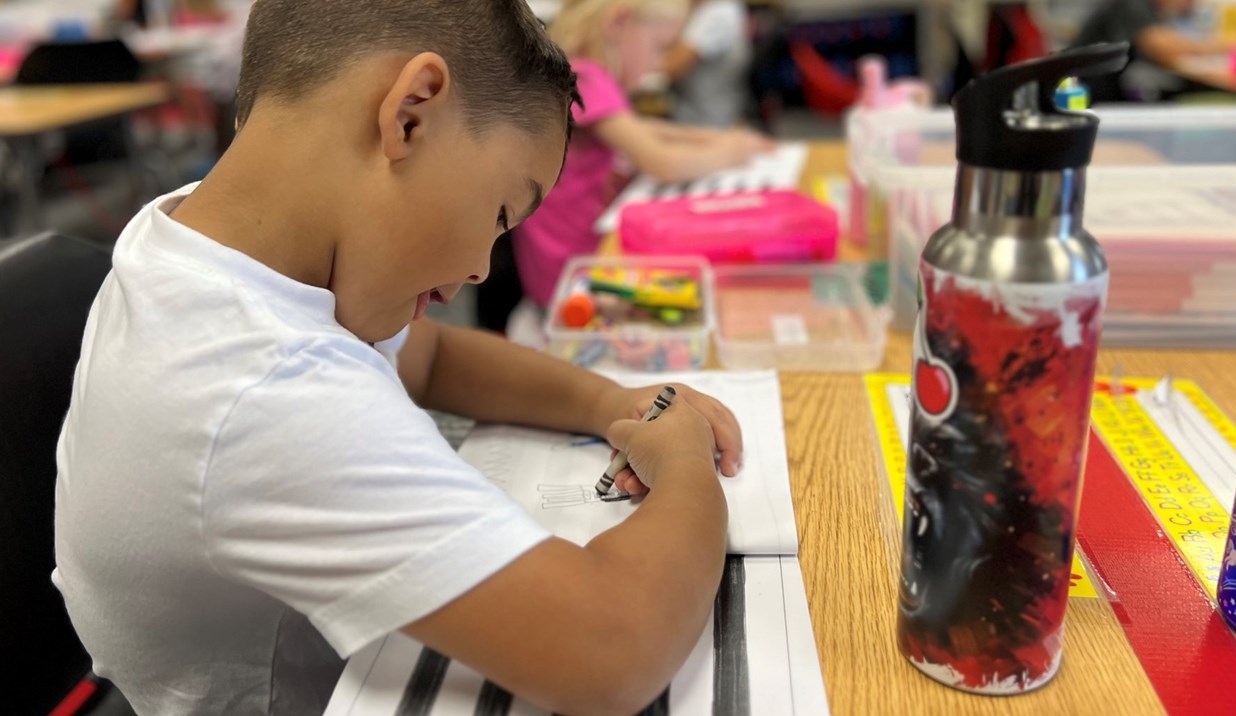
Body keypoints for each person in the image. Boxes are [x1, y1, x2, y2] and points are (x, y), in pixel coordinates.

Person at [52, 1, 743, 714]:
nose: (481, 268)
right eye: (501, 213)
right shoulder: (264, 388)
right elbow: (614, 652)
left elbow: (433, 359)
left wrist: (608, 403)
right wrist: (684, 457)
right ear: (409, 112)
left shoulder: (207, 234)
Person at [510, 0, 771, 313]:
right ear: (618, 24)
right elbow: (663, 162)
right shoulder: (586, 79)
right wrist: (732, 151)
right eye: (659, 47)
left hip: (585, 256)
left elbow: (640, 129)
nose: (656, 65)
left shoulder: (586, 74)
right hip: (573, 274)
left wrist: (712, 137)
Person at [1073, 0, 1236, 101]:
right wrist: (1227, 45)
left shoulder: (1153, 10)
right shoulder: (1131, 5)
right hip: (1087, 94)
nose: (1187, 5)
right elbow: (1157, 43)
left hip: (1112, 89)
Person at [664, 0, 752, 127]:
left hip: (705, 121)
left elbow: (671, 66)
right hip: (708, 116)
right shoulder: (716, 9)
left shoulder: (719, 13)